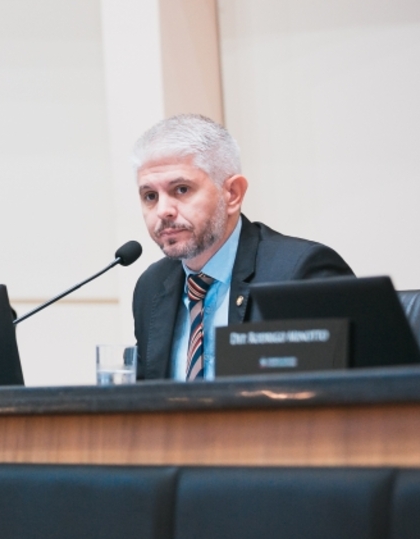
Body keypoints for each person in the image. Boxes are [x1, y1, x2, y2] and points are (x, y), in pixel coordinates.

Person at [131, 114, 353, 381]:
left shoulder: (299, 273)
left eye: (181, 189)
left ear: (233, 194)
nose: (163, 211)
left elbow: (347, 400)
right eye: (150, 196)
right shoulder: (152, 287)